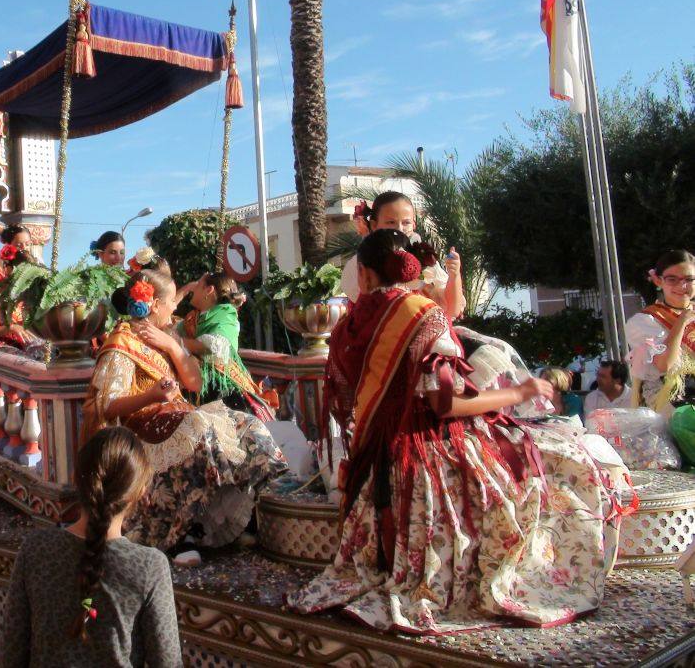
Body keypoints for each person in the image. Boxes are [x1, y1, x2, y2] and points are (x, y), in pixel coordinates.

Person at [288, 229, 632, 634]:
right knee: (563, 461)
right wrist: (516, 392)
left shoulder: (347, 325)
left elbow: (348, 404)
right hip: (428, 459)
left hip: (374, 464)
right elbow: (445, 405)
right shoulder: (425, 315)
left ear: (362, 275)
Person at [82, 270, 286, 550]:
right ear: (155, 305)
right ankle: (187, 531)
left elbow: (195, 381)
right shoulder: (123, 341)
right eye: (171, 302)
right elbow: (107, 405)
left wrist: (172, 346)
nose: (176, 306)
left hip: (178, 415)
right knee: (199, 427)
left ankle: (268, 504)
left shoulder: (168, 334)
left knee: (245, 424)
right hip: (143, 426)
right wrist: (151, 395)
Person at [2, 427, 182, 668]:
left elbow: (12, 654)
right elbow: (168, 663)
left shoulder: (35, 550)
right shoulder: (149, 567)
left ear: (76, 477)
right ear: (140, 492)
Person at [342, 191, 465, 320]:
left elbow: (452, 311)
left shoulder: (424, 258)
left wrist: (454, 274)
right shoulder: (363, 263)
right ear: (374, 225)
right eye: (391, 222)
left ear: (414, 224)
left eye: (406, 222)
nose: (399, 229)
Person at [176, 272, 274, 420]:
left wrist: (175, 342)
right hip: (201, 388)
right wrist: (184, 290)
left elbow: (215, 347)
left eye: (197, 285)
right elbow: (166, 314)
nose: (193, 289)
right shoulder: (194, 317)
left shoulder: (226, 314)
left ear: (209, 291)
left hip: (224, 394)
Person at [627, 250, 695, 417]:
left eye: (689, 279)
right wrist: (681, 323)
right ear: (658, 281)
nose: (682, 286)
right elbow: (665, 364)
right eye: (672, 280)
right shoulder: (645, 321)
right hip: (673, 402)